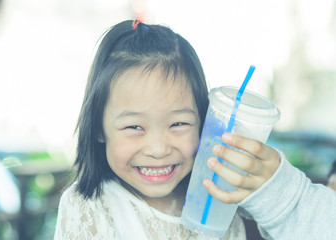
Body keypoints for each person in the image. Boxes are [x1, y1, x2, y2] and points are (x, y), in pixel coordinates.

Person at [54, 20, 336, 240]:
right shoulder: (88, 208)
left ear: (204, 122)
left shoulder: (224, 197)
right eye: (134, 126)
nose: (158, 148)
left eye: (178, 124)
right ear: (99, 129)